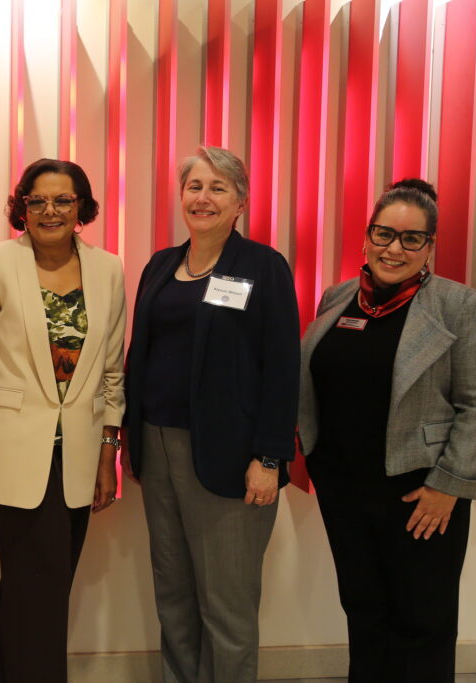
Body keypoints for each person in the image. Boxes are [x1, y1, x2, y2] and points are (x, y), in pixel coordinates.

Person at [123, 146, 300, 682]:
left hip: (229, 457)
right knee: (173, 594)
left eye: (218, 187)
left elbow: (282, 367)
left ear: (241, 201)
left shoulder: (263, 267)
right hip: (157, 448)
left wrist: (269, 456)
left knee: (226, 606)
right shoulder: (160, 265)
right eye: (195, 186)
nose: (203, 198)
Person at [298, 178, 476, 682]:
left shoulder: (461, 306)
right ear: (366, 237)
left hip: (421, 497)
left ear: (430, 247)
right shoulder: (338, 298)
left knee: (422, 622)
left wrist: (449, 487)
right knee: (364, 612)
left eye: (411, 239)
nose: (393, 248)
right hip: (345, 492)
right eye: (383, 234)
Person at [0, 158, 125, 683]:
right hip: (13, 451)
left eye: (63, 200)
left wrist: (108, 452)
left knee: (38, 588)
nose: (50, 210)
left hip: (79, 453)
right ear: (22, 207)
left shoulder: (110, 268)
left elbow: (112, 373)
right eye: (38, 200)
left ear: (82, 207)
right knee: (40, 587)